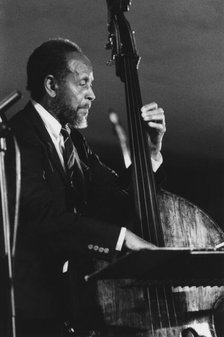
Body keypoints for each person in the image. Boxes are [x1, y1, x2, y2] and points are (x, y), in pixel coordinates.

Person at [6, 38, 166, 337]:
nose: (92, 94)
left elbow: (116, 200)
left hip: (72, 313)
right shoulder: (17, 137)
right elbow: (42, 217)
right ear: (52, 86)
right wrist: (123, 240)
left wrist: (150, 154)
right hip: (30, 316)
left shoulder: (75, 142)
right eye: (83, 83)